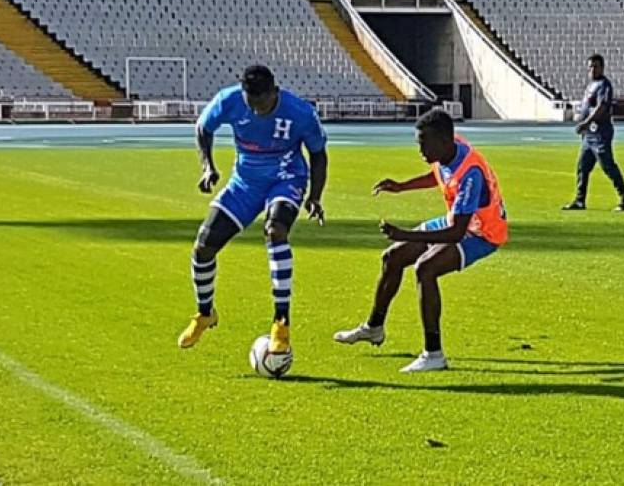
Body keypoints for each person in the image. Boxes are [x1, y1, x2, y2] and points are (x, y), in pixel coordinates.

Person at [333, 108, 508, 372]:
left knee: (426, 268)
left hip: (482, 233)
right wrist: (402, 186)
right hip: (459, 220)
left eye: (424, 143)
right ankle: (374, 327)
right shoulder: (452, 149)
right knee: (393, 257)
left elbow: (456, 234)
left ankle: (433, 354)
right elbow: (439, 175)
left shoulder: (470, 173)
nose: (420, 150)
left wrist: (406, 234)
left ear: (443, 141)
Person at [178, 65, 328, 358]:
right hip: (244, 183)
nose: (257, 111)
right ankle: (205, 313)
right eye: (251, 104)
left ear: (274, 92)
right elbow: (203, 128)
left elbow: (319, 154)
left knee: (276, 231)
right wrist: (208, 166)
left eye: (262, 104)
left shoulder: (300, 112)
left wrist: (315, 197)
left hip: (286, 179)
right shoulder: (229, 100)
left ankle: (281, 322)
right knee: (204, 246)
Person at [563, 54, 624, 212]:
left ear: (602, 67)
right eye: (590, 67)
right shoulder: (591, 85)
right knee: (583, 167)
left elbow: (601, 107)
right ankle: (580, 200)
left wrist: (586, 122)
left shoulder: (604, 85)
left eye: (595, 66)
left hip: (600, 133)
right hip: (589, 136)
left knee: (608, 166)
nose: (592, 70)